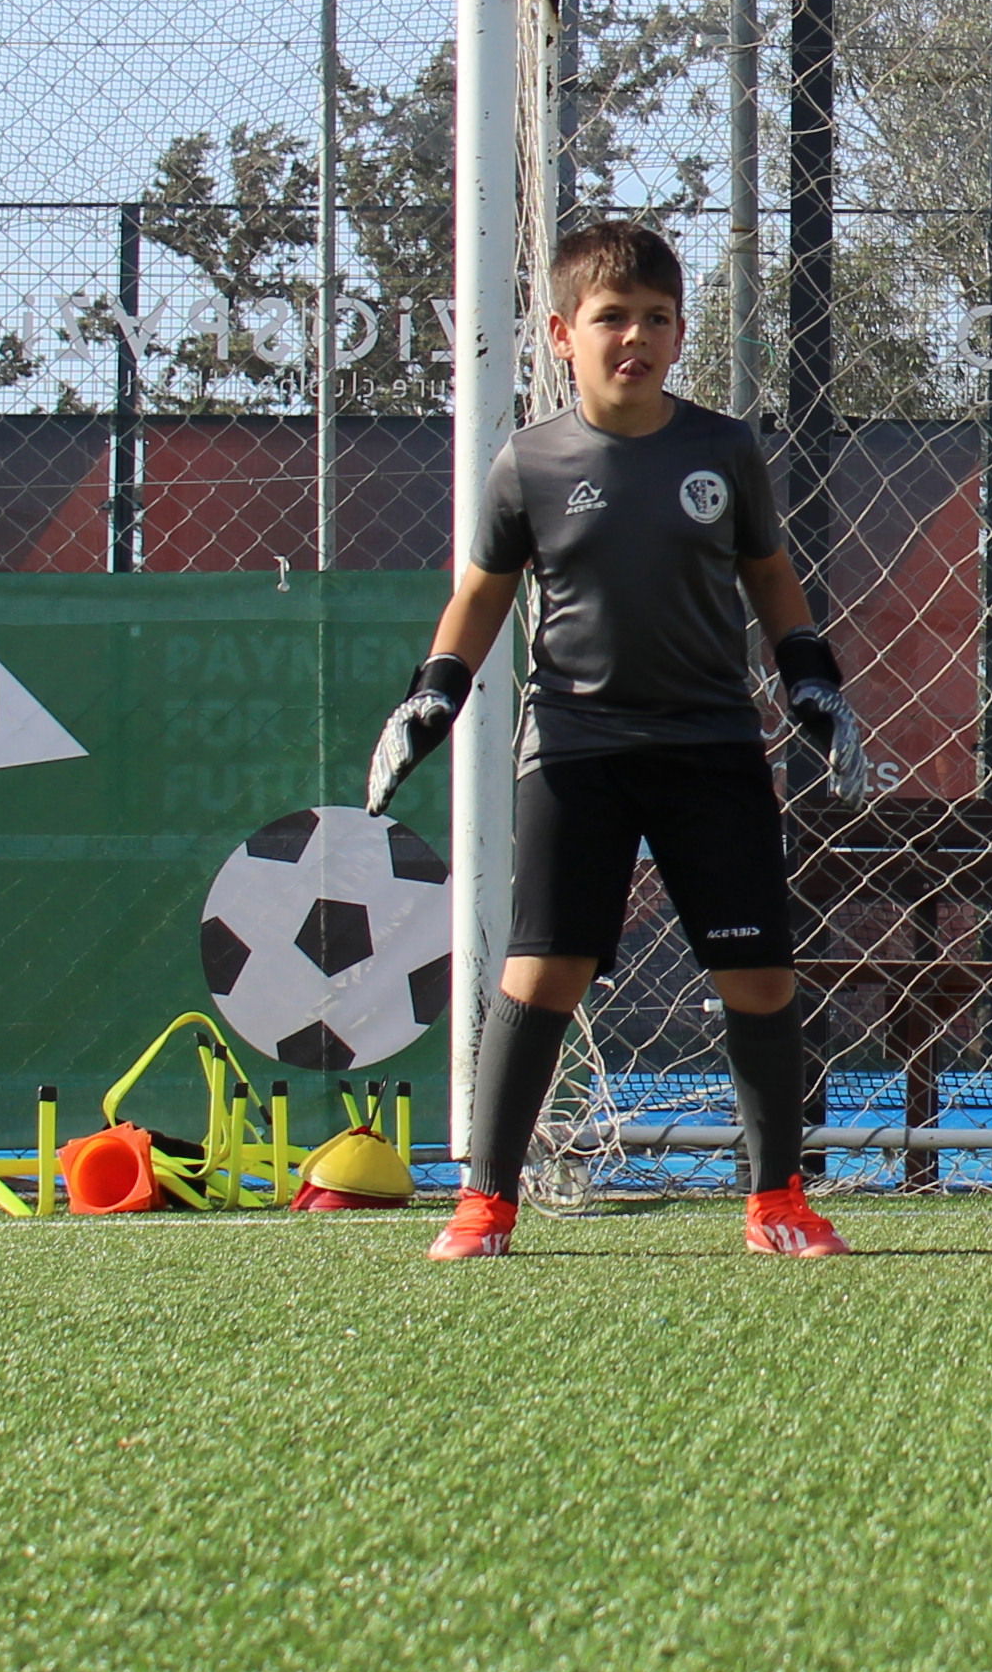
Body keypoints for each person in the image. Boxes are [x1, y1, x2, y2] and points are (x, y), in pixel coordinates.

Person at [365, 218, 875, 1261]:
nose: (632, 336)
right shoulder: (528, 464)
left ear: (681, 334)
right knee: (541, 971)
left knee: (761, 980)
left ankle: (777, 1199)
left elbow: (770, 573)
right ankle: (485, 1205)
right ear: (563, 333)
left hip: (712, 746)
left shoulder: (722, 448)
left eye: (655, 318)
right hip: (576, 748)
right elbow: (479, 593)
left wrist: (811, 679)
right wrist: (432, 695)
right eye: (610, 319)